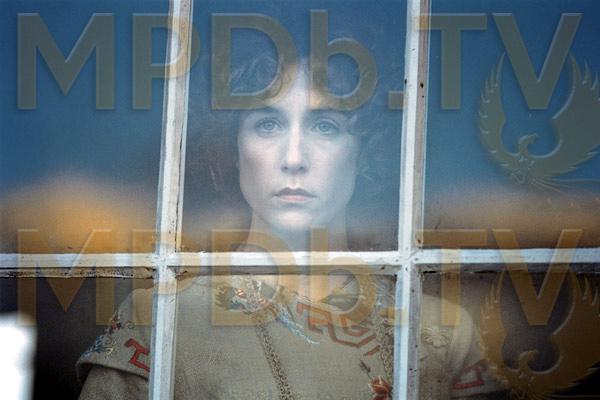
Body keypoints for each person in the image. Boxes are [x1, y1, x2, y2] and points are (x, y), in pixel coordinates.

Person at [76, 58, 501, 400]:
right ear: (235, 148)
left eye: (324, 126)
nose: (294, 158)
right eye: (268, 124)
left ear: (366, 151)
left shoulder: (441, 330)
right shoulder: (162, 319)